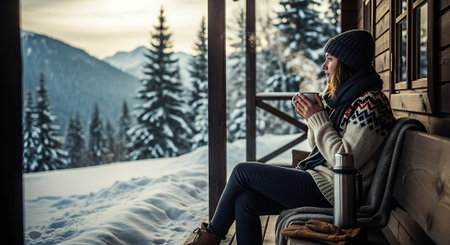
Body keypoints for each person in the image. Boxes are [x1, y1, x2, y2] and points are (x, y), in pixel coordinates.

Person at [186, 29, 395, 245]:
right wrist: (313, 118)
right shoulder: (349, 99)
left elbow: (345, 160)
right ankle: (212, 236)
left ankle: (211, 237)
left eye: (330, 60)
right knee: (245, 200)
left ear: (347, 63)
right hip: (325, 182)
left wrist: (318, 118)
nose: (324, 67)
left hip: (339, 192)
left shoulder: (371, 102)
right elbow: (319, 148)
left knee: (242, 172)